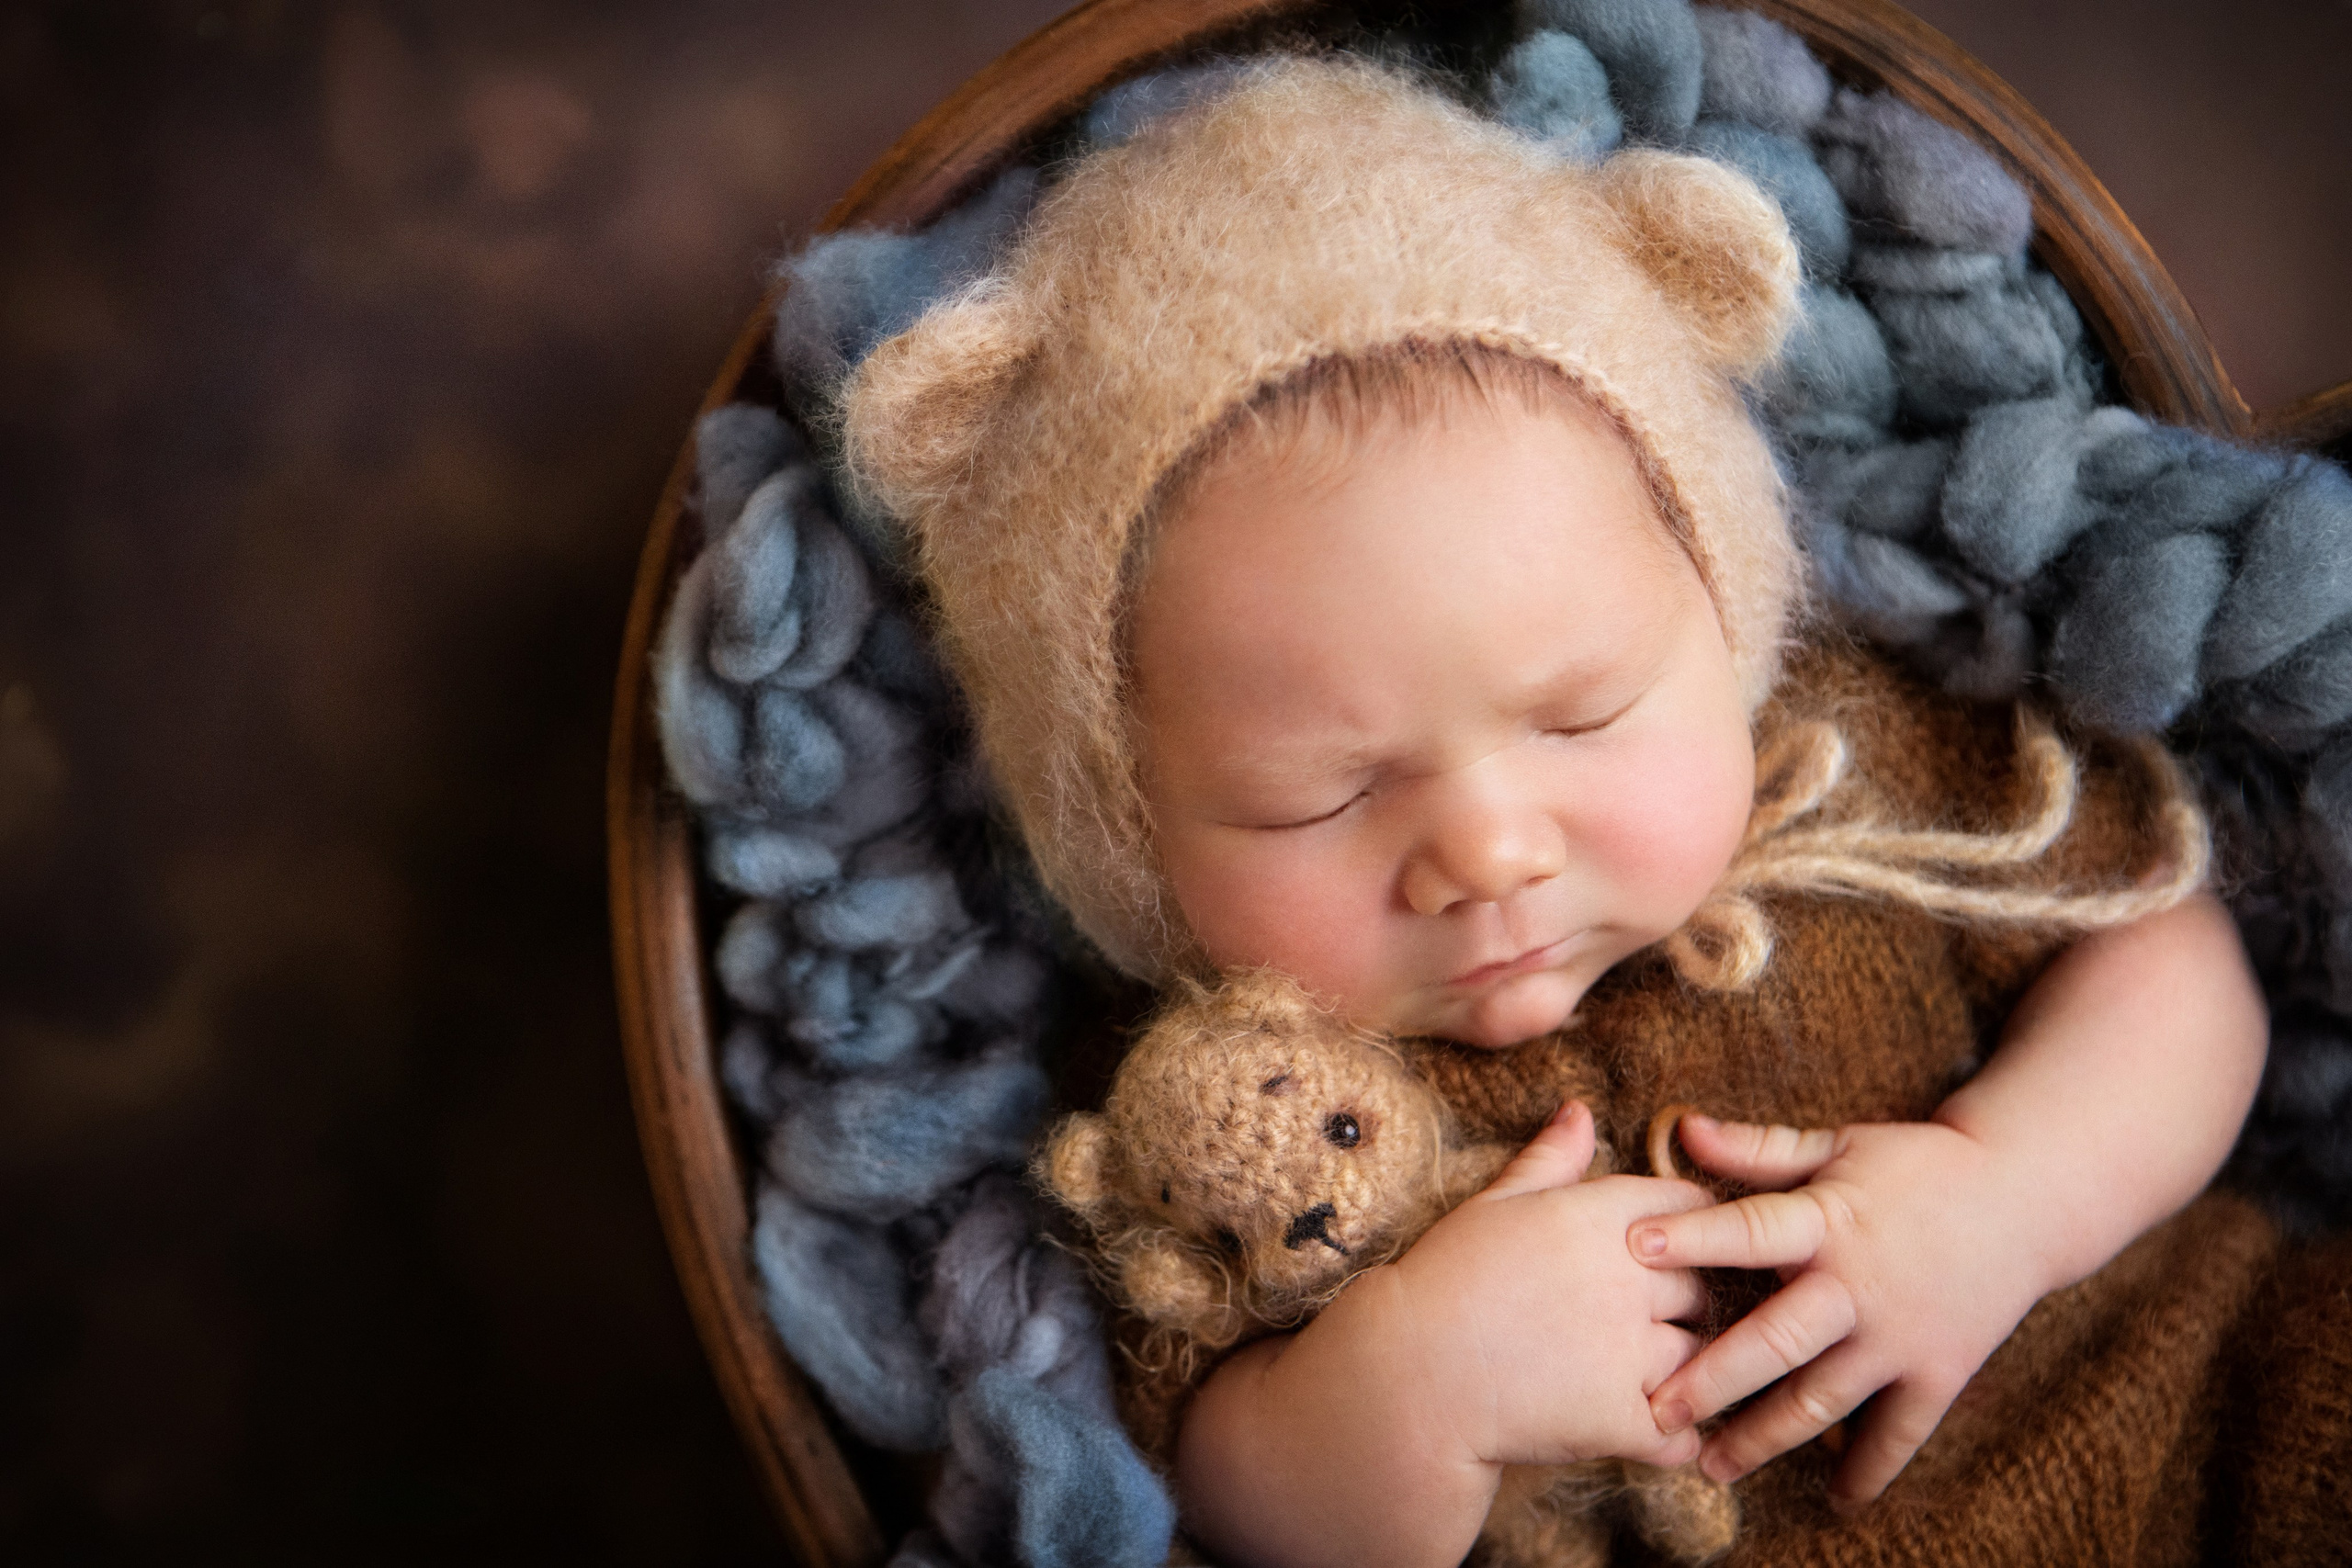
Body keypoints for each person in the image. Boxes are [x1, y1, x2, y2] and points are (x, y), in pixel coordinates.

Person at [839, 55, 2298, 1568]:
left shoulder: (1861, 780)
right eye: (1317, 800)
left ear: (1725, 627)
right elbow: (1211, 1491)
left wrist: (2013, 1197)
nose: (1489, 852)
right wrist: (1411, 1392)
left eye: (1582, 714)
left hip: (2212, 1413)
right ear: (1130, 846)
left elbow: (2168, 960)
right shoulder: (1214, 1115)